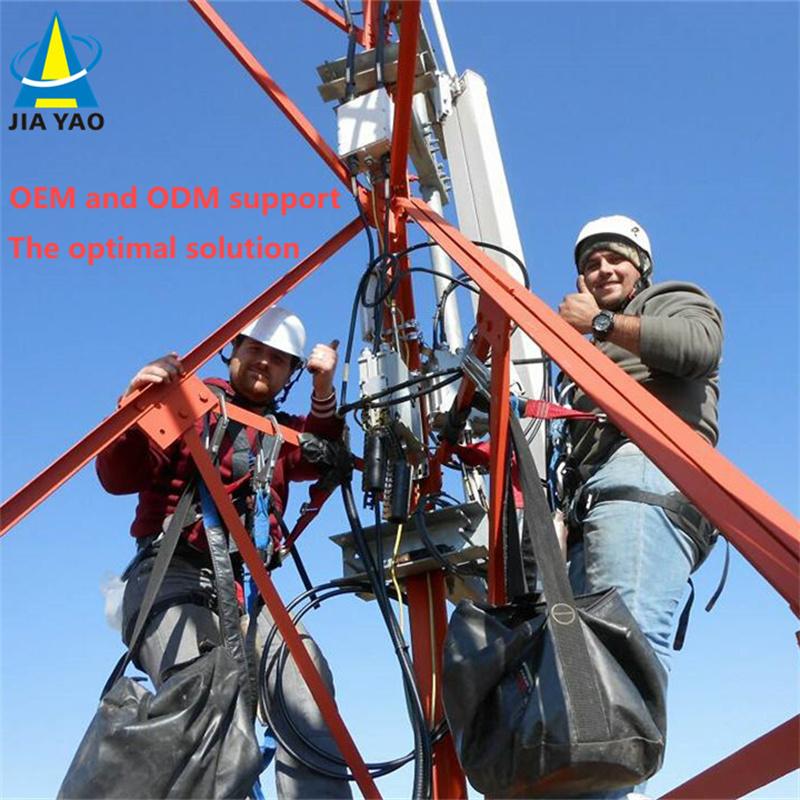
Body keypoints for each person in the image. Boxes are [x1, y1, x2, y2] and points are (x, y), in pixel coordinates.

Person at [95, 306, 352, 799]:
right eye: (254, 349)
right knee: (203, 691)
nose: (263, 362)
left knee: (306, 683)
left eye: (279, 358)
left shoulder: (280, 432)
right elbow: (119, 475)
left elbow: (322, 452)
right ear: (233, 351)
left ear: (290, 373)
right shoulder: (190, 403)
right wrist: (136, 405)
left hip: (247, 591)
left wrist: (324, 389)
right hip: (172, 574)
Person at [556, 215, 723, 798]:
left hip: (647, 468)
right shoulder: (585, 349)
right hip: (594, 499)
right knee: (578, 675)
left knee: (615, 662)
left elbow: (699, 348)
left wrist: (600, 323)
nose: (602, 269)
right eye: (591, 264)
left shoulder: (670, 300)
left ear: (641, 268)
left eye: (614, 259)